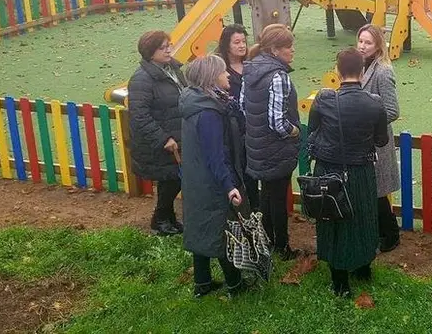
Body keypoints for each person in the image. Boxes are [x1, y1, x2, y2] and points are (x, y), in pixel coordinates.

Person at [308, 48, 389, 297]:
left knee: (333, 221)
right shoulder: (374, 103)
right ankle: (363, 269)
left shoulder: (323, 99)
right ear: (363, 72)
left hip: (329, 170)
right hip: (360, 171)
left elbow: (313, 129)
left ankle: (340, 282)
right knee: (363, 218)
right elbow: (381, 140)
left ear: (337, 71)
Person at [178, 55, 249, 298]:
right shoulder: (208, 113)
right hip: (211, 182)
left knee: (199, 227)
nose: (228, 74)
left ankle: (202, 283)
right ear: (211, 78)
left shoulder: (195, 102)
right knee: (222, 232)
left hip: (195, 178)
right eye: (222, 71)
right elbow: (215, 154)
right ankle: (235, 285)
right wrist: (229, 186)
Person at [242, 23, 302, 260]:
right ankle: (282, 246)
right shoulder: (278, 76)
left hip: (257, 145)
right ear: (275, 50)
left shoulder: (250, 68)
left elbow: (243, 107)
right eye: (289, 47)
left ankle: (265, 240)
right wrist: (294, 131)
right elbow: (277, 121)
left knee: (266, 194)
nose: (293, 51)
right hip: (276, 147)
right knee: (278, 198)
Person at [128, 31, 187, 236]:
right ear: (150, 52)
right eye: (163, 47)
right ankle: (160, 219)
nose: (169, 49)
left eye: (169, 45)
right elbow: (139, 115)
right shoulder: (142, 79)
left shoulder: (174, 70)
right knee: (170, 179)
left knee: (173, 179)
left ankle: (167, 218)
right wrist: (163, 138)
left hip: (178, 135)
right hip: (161, 141)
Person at [356, 24, 401, 252]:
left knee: (378, 191)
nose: (362, 46)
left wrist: (369, 124)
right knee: (371, 189)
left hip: (377, 140)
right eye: (360, 41)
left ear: (377, 46)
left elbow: (392, 110)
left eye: (368, 43)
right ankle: (381, 232)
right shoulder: (360, 67)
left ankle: (391, 235)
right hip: (364, 141)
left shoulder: (382, 71)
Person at [217, 24, 248, 100]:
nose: (242, 46)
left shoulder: (251, 63)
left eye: (244, 41)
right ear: (226, 45)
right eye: (237, 42)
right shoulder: (220, 69)